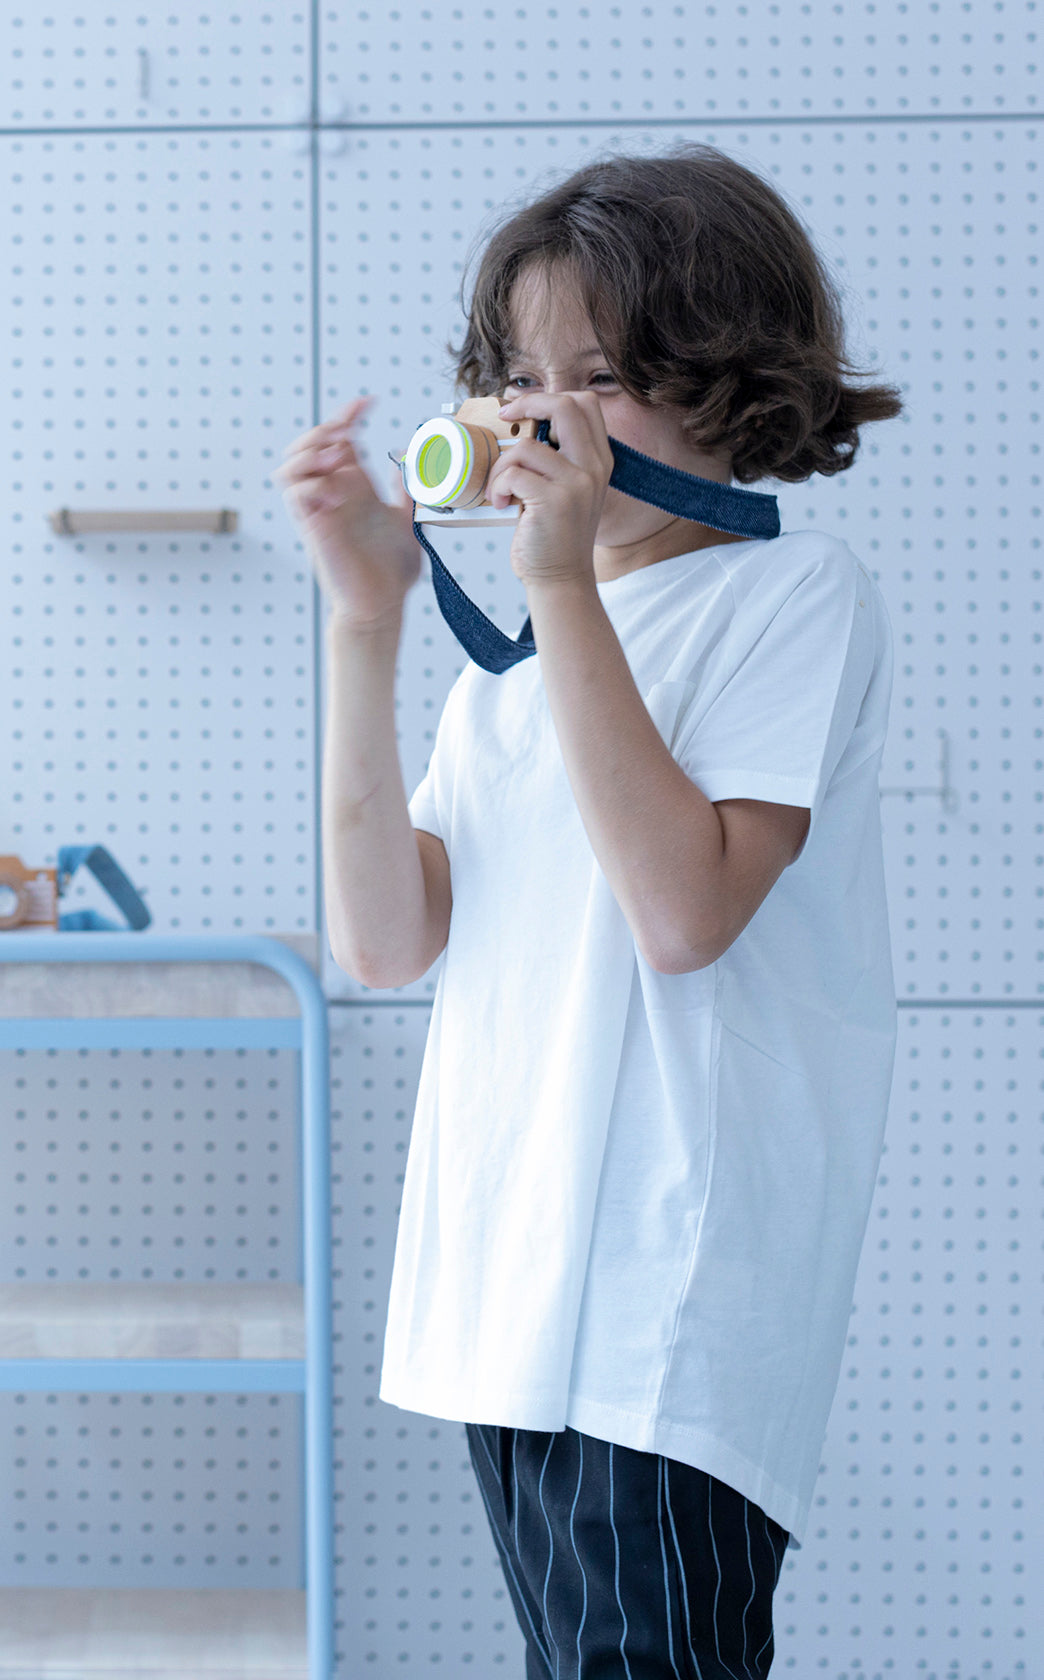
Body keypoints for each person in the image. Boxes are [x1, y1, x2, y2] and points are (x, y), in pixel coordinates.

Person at [275, 144, 903, 1679]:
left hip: (657, 1309)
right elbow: (383, 942)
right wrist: (368, 623)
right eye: (518, 376)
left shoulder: (789, 598)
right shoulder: (517, 668)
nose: (542, 416)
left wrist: (557, 591)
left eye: (603, 377)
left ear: (728, 386)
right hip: (505, 1300)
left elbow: (684, 912)